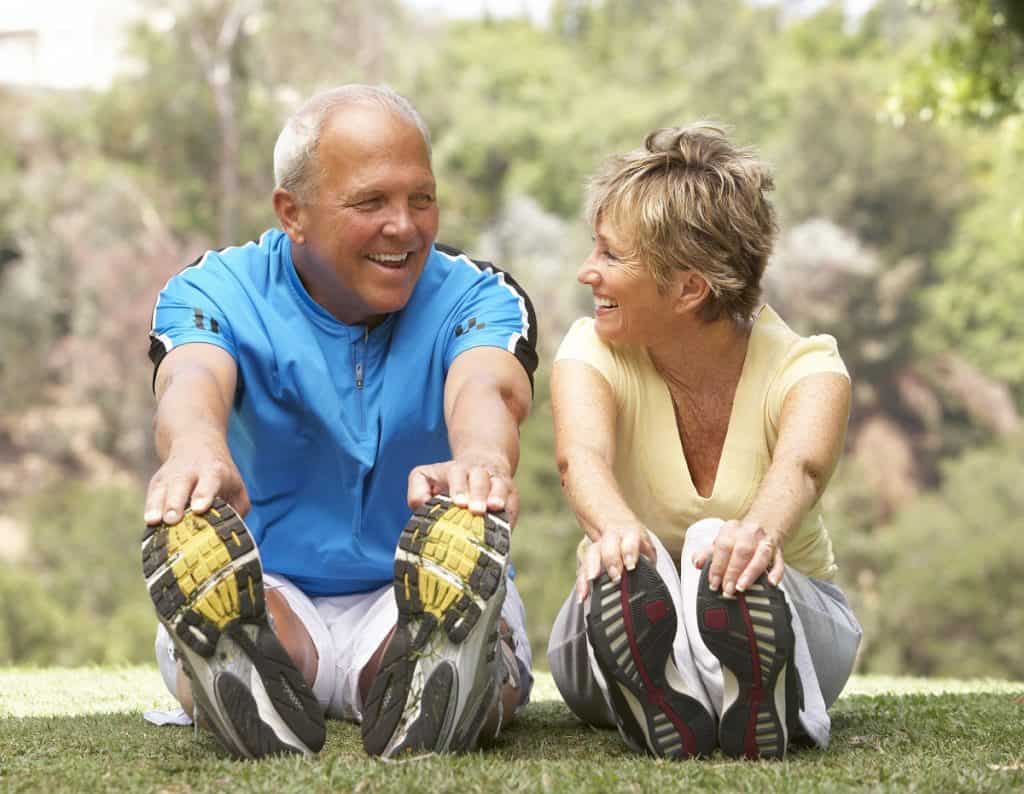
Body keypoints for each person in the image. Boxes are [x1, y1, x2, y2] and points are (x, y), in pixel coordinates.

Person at [141, 84, 537, 760]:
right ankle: (238, 655)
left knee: (434, 637)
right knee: (260, 622)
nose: (405, 227)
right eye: (370, 202)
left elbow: (487, 387)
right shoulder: (214, 290)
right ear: (291, 213)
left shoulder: (478, 296)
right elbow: (192, 376)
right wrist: (198, 449)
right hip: (270, 582)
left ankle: (447, 665)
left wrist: (480, 459)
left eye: (421, 198)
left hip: (413, 588)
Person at [546, 123, 862, 760]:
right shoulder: (591, 351)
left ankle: (732, 676)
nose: (588, 273)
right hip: (619, 592)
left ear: (689, 288)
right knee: (637, 570)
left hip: (794, 612)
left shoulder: (809, 369)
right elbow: (581, 457)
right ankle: (688, 684)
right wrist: (614, 532)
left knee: (713, 549)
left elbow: (799, 469)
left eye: (611, 256)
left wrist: (756, 537)